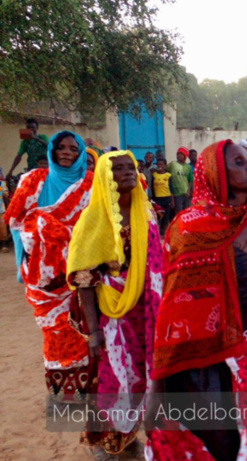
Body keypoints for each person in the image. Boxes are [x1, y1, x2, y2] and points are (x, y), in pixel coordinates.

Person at [147, 140, 247, 460]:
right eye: (239, 163)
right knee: (220, 443)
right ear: (216, 174)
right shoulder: (190, 229)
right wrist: (157, 387)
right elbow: (173, 311)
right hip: (204, 362)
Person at [66, 150, 161, 460]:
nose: (127, 172)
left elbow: (157, 263)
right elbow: (84, 278)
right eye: (118, 168)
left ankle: (129, 438)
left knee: (141, 377)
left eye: (130, 167)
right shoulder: (94, 218)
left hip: (146, 312)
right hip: (112, 314)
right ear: (105, 177)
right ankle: (104, 442)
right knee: (111, 378)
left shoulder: (146, 213)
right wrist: (94, 331)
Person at [4, 131, 92, 402]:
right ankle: (64, 395)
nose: (67, 152)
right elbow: (15, 222)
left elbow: (95, 229)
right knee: (55, 334)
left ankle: (84, 392)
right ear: (52, 150)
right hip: (41, 279)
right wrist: (24, 264)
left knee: (83, 331)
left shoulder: (90, 185)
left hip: (79, 274)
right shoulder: (33, 181)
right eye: (61, 147)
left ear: (80, 154)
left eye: (73, 149)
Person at [168, 147, 192, 219]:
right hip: (176, 193)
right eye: (178, 154)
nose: (179, 155)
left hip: (186, 193)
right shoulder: (173, 164)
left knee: (186, 212)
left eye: (181, 154)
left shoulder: (188, 167)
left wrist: (189, 191)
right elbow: (164, 170)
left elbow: (190, 180)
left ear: (185, 156)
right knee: (178, 212)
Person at [152, 159, 172, 234]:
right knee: (158, 216)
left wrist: (172, 200)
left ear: (165, 166)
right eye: (158, 164)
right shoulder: (154, 175)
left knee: (166, 216)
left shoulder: (168, 175)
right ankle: (157, 232)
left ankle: (164, 232)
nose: (160, 166)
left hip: (166, 198)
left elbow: (171, 188)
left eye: (162, 164)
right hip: (157, 198)